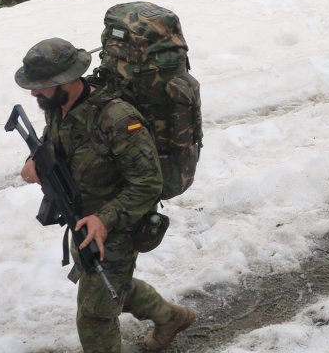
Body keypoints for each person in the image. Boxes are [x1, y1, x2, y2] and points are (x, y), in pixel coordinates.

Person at [14, 38, 196, 353]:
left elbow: (148, 182)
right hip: (82, 218)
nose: (33, 94)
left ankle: (166, 319)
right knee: (111, 287)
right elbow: (55, 140)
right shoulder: (59, 106)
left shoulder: (118, 119)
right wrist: (36, 159)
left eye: (40, 86)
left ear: (67, 81)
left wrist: (104, 219)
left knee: (94, 316)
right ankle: (170, 318)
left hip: (119, 224)